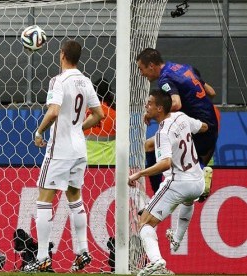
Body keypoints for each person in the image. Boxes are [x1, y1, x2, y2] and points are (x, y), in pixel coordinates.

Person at [25, 40, 104, 272]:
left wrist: (39, 131)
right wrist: (78, 127)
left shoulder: (58, 80)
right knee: (75, 198)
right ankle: (82, 251)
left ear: (62, 55)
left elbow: (54, 110)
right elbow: (99, 114)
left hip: (59, 150)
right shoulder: (86, 81)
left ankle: (42, 258)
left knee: (43, 200)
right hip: (79, 149)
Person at [128, 89, 208, 276]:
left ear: (159, 108)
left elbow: (165, 163)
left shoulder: (164, 132)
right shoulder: (180, 117)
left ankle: (157, 263)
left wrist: (139, 174)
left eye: (149, 103)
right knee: (188, 201)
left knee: (144, 223)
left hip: (178, 183)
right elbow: (203, 127)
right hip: (197, 182)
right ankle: (177, 239)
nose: (146, 106)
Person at [136, 48, 217, 199]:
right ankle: (200, 171)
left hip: (199, 129)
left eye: (142, 69)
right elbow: (212, 92)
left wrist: (151, 113)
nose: (142, 74)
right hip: (210, 124)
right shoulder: (184, 68)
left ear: (151, 65)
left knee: (150, 146)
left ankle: (157, 193)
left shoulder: (165, 78)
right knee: (189, 193)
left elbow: (176, 103)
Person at [83, 78, 116, 165]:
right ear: (109, 93)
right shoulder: (114, 113)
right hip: (108, 164)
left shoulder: (83, 112)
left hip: (84, 162)